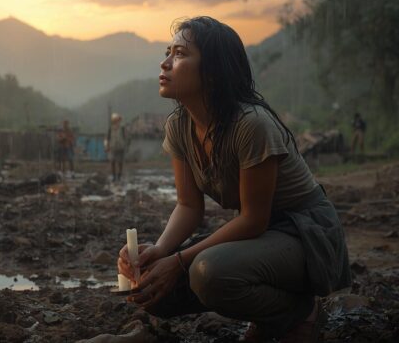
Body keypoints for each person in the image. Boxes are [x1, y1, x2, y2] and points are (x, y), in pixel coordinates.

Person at [118, 17, 350, 342]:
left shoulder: (251, 125)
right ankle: (270, 314)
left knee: (209, 272)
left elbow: (253, 220)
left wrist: (179, 261)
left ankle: (298, 313)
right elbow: (188, 206)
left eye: (180, 54)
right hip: (261, 237)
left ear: (213, 72)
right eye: (167, 52)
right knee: (155, 290)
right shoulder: (179, 126)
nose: (165, 62)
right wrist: (160, 250)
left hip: (305, 234)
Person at [105, 113, 129, 182]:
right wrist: (106, 146)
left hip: (121, 147)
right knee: (112, 162)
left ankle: (119, 176)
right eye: (115, 121)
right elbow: (107, 138)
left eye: (118, 120)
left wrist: (126, 146)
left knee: (120, 162)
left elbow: (126, 138)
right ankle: (114, 176)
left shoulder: (122, 128)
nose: (117, 122)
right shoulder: (111, 129)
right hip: (113, 147)